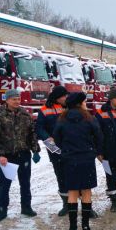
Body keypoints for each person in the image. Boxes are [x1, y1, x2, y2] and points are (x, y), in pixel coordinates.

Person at [53, 92, 103, 230]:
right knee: (86, 191)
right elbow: (99, 136)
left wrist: (66, 151)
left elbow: (56, 139)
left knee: (73, 192)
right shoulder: (89, 118)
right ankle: (86, 225)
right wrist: (95, 151)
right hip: (87, 158)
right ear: (80, 103)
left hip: (70, 160)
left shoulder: (62, 119)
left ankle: (73, 227)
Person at [0, 89, 41, 222]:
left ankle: (26, 207)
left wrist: (35, 150)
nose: (17, 101)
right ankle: (2, 210)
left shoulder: (25, 114)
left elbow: (32, 133)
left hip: (23, 154)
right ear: (7, 100)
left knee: (25, 182)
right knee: (4, 184)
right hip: (6, 156)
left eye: (18, 99)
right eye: (14, 99)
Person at [36, 86, 69, 216]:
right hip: (54, 147)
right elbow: (39, 128)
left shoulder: (70, 107)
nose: (66, 98)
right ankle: (66, 203)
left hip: (70, 146)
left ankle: (83, 203)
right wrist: (47, 138)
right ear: (57, 97)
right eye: (63, 96)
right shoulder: (44, 110)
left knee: (76, 175)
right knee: (60, 175)